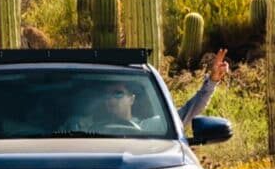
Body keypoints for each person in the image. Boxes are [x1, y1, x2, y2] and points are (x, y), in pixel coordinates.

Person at [67, 48, 230, 133]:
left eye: (117, 93)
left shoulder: (153, 127)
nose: (111, 99)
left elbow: (190, 109)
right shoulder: (87, 128)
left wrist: (213, 80)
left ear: (131, 98)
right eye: (107, 95)